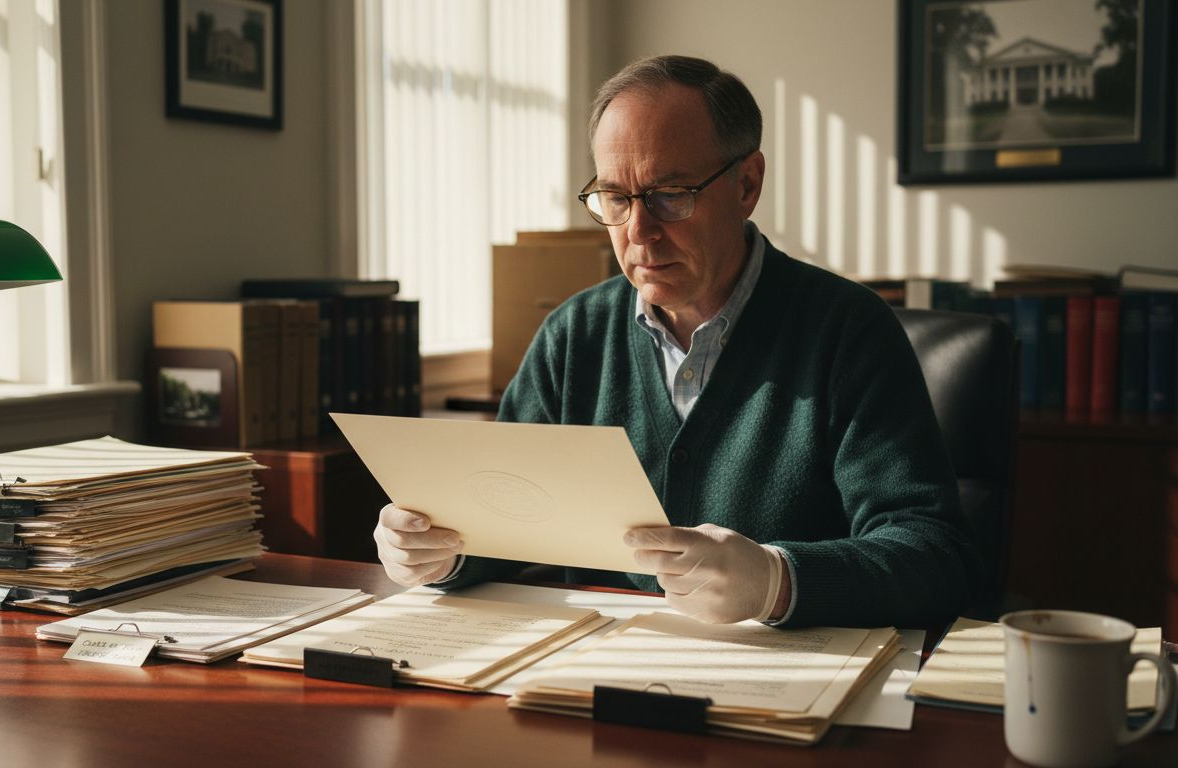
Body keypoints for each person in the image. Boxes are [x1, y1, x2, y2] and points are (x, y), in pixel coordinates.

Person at [373, 54, 980, 629]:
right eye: (616, 197)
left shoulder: (849, 331)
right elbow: (507, 525)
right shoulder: (573, 335)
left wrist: (779, 581)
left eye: (670, 195)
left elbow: (934, 557)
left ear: (747, 184)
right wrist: (439, 553)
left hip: (780, 691)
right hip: (585, 683)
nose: (640, 231)